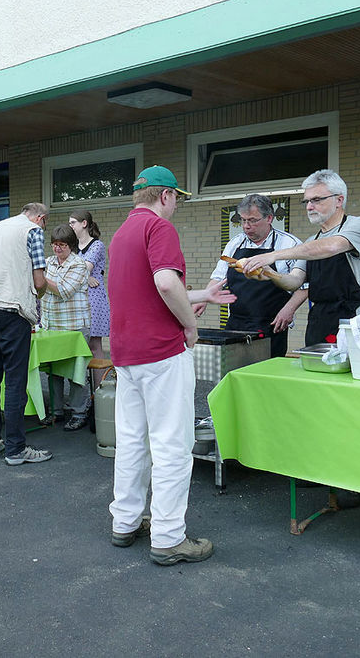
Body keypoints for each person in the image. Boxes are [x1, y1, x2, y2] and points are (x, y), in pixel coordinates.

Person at [107, 166, 235, 565]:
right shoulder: (159, 229)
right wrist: (191, 323)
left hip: (127, 353)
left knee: (132, 440)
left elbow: (150, 288)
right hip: (161, 352)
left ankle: (125, 523)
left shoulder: (121, 233)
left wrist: (205, 295)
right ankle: (167, 538)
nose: (177, 204)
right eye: (177, 197)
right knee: (172, 446)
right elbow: (165, 283)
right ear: (165, 196)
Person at [241, 169, 360, 346]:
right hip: (320, 321)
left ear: (339, 200)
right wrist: (270, 273)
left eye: (316, 200)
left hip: (356, 320)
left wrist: (272, 256)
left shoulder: (359, 225)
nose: (309, 206)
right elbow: (294, 281)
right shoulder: (311, 241)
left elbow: (331, 246)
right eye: (306, 201)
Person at [0, 202, 52, 466]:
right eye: (45, 223)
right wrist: (41, 294)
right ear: (40, 218)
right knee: (15, 381)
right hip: (12, 309)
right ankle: (16, 448)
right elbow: (39, 281)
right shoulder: (32, 231)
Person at [203, 194, 309, 357]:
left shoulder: (290, 245)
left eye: (253, 220)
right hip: (236, 324)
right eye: (243, 220)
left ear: (269, 218)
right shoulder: (234, 244)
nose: (246, 226)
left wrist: (288, 310)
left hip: (272, 326)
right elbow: (219, 277)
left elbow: (304, 286)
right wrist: (204, 298)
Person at [39, 225, 92, 431]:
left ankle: (79, 413)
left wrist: (41, 279)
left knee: (76, 372)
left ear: (71, 245)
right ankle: (56, 411)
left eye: (62, 245)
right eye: (54, 244)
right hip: (51, 325)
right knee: (54, 372)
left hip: (74, 327)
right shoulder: (48, 262)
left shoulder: (79, 265)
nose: (57, 249)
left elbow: (63, 290)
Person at [68, 210, 110, 387]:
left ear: (84, 223)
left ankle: (98, 390)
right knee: (78, 347)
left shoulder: (97, 245)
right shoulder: (72, 246)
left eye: (73, 223)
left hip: (94, 299)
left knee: (94, 345)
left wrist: (81, 273)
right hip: (76, 299)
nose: (70, 226)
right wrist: (85, 276)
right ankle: (82, 392)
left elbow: (82, 268)